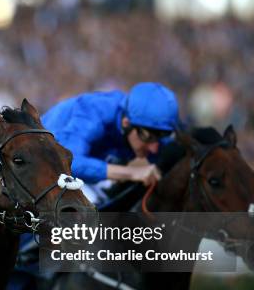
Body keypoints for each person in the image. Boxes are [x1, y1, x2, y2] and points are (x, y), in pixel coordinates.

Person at [41, 82, 179, 206]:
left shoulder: (146, 123)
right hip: (44, 163)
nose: (154, 148)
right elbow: (69, 163)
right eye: (148, 137)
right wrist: (131, 173)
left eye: (161, 137)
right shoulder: (95, 111)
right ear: (126, 123)